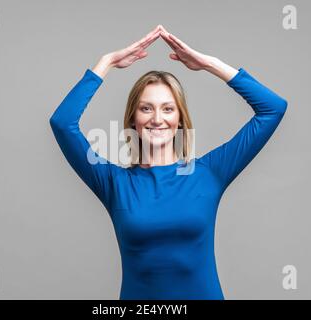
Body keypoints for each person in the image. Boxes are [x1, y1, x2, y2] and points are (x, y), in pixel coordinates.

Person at [49, 25, 288, 300]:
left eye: (168, 108)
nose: (157, 119)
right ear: (133, 120)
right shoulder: (115, 184)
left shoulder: (209, 173)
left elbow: (272, 109)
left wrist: (210, 64)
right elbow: (62, 123)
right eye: (146, 108)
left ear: (180, 119)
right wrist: (108, 62)